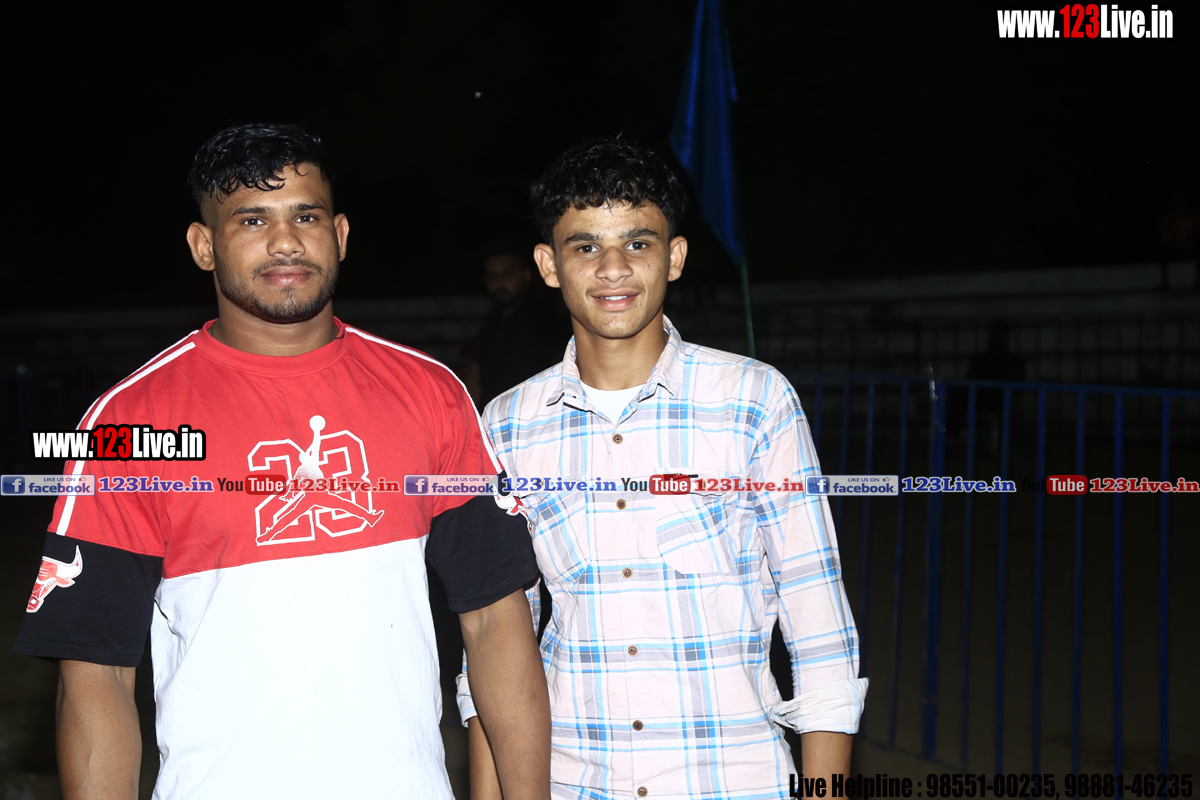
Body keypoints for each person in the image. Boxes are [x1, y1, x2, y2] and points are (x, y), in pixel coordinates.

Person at [13, 124, 550, 800]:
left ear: (341, 235)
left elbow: (496, 620)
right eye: (252, 220)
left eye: (306, 216)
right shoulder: (128, 425)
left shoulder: (431, 393)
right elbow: (96, 671)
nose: (286, 241)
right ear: (203, 246)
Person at [458, 138, 868, 800]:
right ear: (549, 265)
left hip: (731, 781)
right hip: (571, 780)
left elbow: (819, 625)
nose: (613, 268)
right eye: (585, 246)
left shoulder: (755, 402)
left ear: (674, 256)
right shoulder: (506, 426)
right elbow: (494, 639)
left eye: (638, 243)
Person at [459, 240, 572, 411]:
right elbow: (475, 378)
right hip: (492, 418)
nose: (499, 281)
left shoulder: (549, 322)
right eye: (492, 275)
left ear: (526, 275)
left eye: (507, 273)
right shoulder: (489, 326)